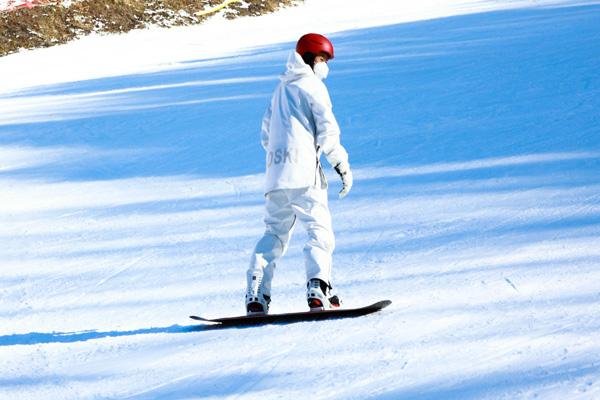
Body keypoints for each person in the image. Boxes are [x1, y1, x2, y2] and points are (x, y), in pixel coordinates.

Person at [245, 33, 353, 315]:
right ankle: (318, 287)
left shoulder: (280, 89)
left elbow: (266, 135)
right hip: (304, 176)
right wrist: (340, 164)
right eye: (321, 59)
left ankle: (257, 292)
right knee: (320, 231)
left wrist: (281, 156)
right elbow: (328, 130)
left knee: (274, 235)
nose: (324, 66)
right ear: (309, 58)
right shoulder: (312, 86)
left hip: (276, 176)